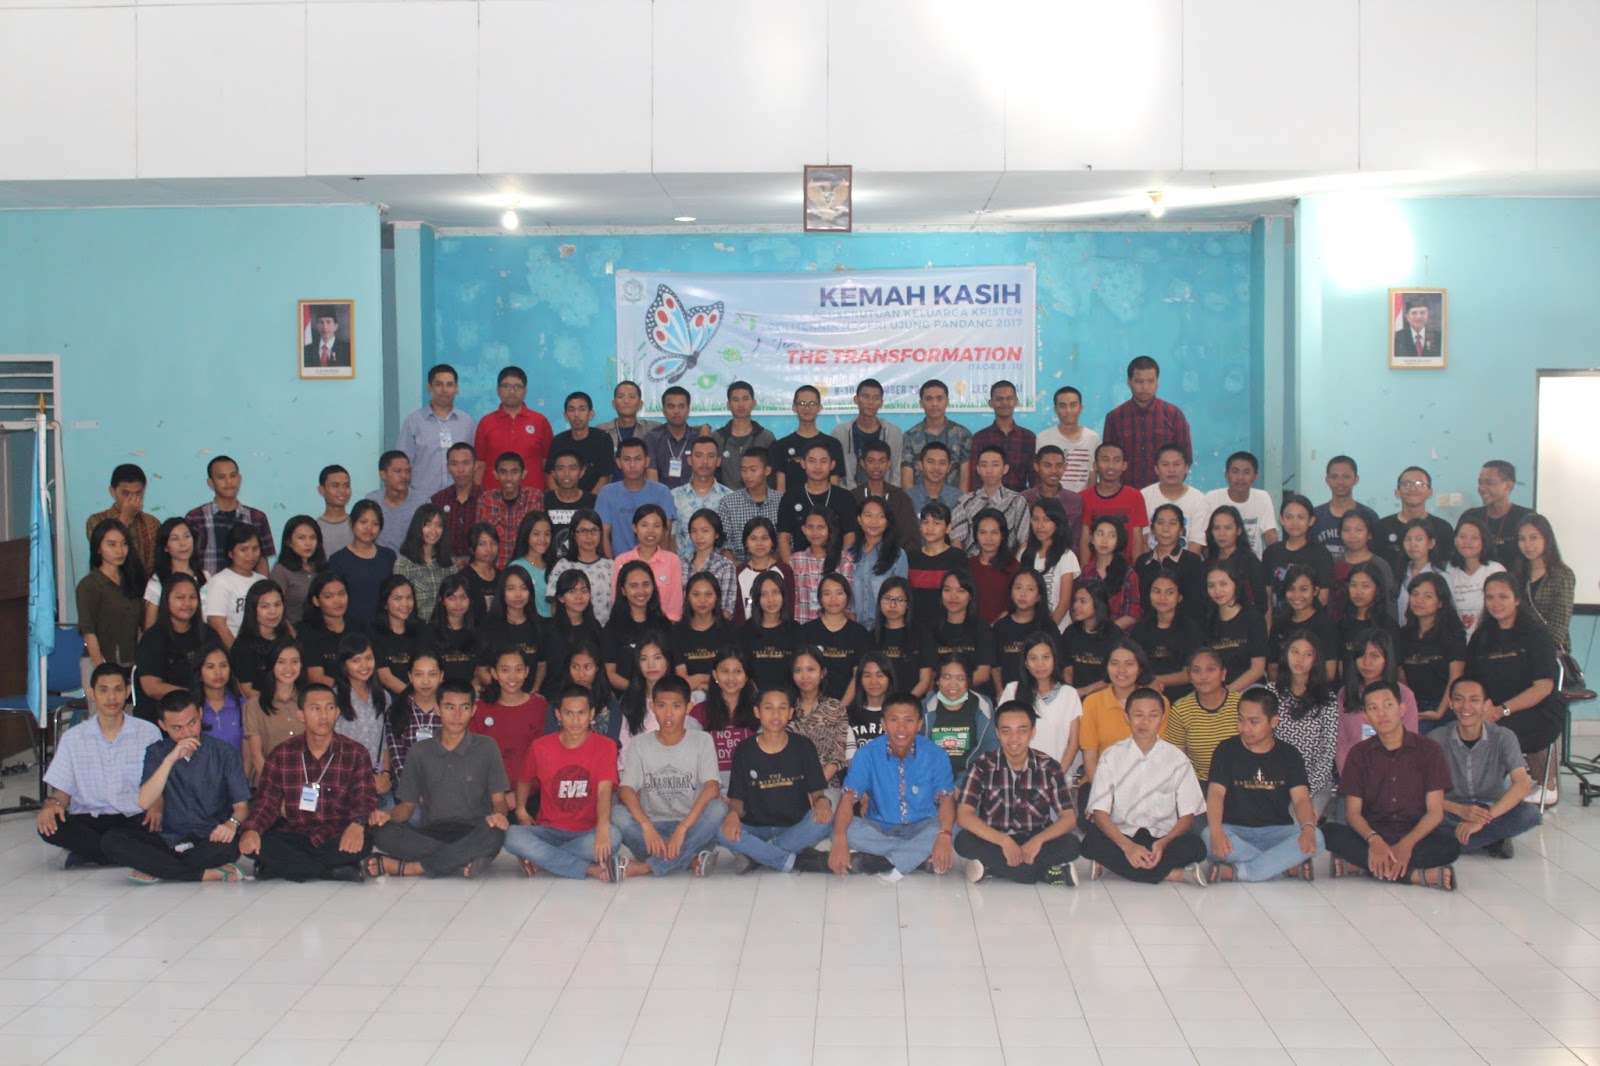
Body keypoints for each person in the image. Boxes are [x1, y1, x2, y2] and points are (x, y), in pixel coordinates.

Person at [101, 690, 251, 884]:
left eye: (192, 723)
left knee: (229, 847)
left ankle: (157, 867)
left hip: (209, 836)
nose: (187, 733)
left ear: (200, 714)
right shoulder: (157, 752)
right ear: (163, 726)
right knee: (112, 841)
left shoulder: (224, 753)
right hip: (168, 836)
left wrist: (231, 824)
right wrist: (170, 759)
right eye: (177, 728)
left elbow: (242, 807)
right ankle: (203, 874)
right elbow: (144, 802)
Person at [238, 683, 384, 882]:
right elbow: (267, 802)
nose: (323, 715)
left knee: (364, 841)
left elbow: (364, 798)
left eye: (329, 708)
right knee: (253, 841)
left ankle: (279, 868)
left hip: (336, 832)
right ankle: (331, 871)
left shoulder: (356, 753)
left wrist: (357, 825)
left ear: (337, 713)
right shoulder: (282, 753)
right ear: (301, 715)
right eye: (315, 709)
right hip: (294, 832)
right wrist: (252, 830)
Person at [1325, 681, 1459, 889]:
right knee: (1328, 833)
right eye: (1373, 708)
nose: (1381, 714)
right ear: (1365, 717)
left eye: (1388, 705)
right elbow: (1352, 814)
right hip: (1372, 833)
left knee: (1451, 846)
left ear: (1402, 709)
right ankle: (1416, 875)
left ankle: (1365, 866)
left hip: (1416, 835)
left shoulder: (1429, 750)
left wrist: (1406, 845)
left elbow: (1435, 812)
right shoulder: (1358, 754)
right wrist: (1375, 841)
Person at [369, 678, 509, 878]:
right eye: (450, 708)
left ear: (473, 710)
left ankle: (411, 868)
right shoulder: (419, 751)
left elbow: (499, 801)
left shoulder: (487, 747)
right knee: (380, 831)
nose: (457, 715)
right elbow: (406, 808)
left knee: (495, 834)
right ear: (438, 709)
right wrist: (387, 815)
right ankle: (462, 859)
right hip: (432, 831)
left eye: (464, 708)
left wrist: (499, 816)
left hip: (475, 830)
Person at [36, 665, 162, 867]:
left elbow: (159, 784)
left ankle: (91, 853)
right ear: (91, 694)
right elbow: (62, 793)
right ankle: (122, 853)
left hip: (132, 817)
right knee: (50, 826)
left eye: (118, 689)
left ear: (127, 692)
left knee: (153, 825)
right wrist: (52, 805)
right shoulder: (73, 738)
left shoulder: (148, 733)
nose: (111, 697)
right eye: (103, 690)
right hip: (89, 819)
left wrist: (157, 805)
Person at [1081, 687, 1208, 884]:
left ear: (1163, 718)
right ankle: (1170, 873)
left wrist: (1163, 843)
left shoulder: (1177, 759)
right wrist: (1127, 847)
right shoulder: (1111, 756)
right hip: (1122, 834)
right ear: (1127, 718)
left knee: (1196, 847)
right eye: (1138, 715)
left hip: (1162, 837)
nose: (1145, 722)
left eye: (1153, 715)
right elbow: (1099, 813)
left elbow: (1188, 817)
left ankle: (1119, 865)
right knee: (1090, 843)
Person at [828, 694, 957, 882]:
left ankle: (883, 861)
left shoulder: (936, 754)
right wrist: (840, 840)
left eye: (909, 720)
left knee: (954, 826)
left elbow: (946, 799)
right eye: (894, 720)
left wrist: (944, 835)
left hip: (922, 825)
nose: (901, 728)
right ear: (883, 724)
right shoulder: (867, 754)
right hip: (881, 827)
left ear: (919, 725)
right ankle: (916, 858)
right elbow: (848, 798)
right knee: (842, 830)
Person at [611, 676, 727, 878]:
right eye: (662, 706)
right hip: (652, 832)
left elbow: (712, 788)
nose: (668, 713)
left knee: (718, 809)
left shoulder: (702, 740)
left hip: (691, 828)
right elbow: (626, 790)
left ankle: (648, 866)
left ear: (688, 708)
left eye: (676, 706)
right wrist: (647, 826)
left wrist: (682, 829)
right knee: (617, 814)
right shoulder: (640, 743)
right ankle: (688, 859)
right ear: (652, 707)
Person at [1203, 687, 1323, 883]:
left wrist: (1308, 828)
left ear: (1274, 722)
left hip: (1275, 832)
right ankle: (1281, 865)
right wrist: (1216, 832)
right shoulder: (1226, 750)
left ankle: (1240, 871)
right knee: (1208, 836)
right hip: (1234, 831)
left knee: (1317, 837)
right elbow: (1215, 794)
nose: (1245, 728)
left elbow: (1301, 799)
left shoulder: (1289, 754)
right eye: (1241, 720)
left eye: (1254, 722)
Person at [955, 699, 1080, 886]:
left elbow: (1069, 818)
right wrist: (1004, 841)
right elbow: (964, 816)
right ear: (997, 733)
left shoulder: (1049, 767)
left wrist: (1039, 840)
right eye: (1006, 731)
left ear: (1032, 732)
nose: (1014, 739)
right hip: (995, 839)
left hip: (1036, 839)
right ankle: (1044, 872)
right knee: (963, 841)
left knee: (1072, 844)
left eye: (1022, 731)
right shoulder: (981, 766)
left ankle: (994, 868)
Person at [1466, 572, 1565, 804]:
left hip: (1538, 709)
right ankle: (1478, 787)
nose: (1496, 603)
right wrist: (1485, 706)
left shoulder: (1535, 634)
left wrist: (1502, 710)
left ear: (1517, 599)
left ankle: (1546, 785)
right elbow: (1471, 679)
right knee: (1464, 723)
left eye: (1503, 596)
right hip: (1493, 709)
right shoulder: (1482, 636)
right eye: (1490, 597)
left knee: (1502, 730)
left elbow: (1543, 688)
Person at [505, 684, 619, 880]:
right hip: (548, 830)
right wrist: (521, 810)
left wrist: (602, 828)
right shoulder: (540, 747)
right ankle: (586, 868)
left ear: (591, 713)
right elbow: (524, 779)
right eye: (568, 713)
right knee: (511, 835)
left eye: (581, 713)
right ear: (558, 714)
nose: (575, 721)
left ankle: (541, 858)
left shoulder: (606, 746)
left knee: (614, 836)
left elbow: (604, 791)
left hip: (587, 831)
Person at [718, 685, 835, 873]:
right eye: (768, 708)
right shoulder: (744, 750)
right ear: (757, 712)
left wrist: (822, 802)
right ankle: (789, 859)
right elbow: (737, 799)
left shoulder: (803, 746)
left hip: (794, 827)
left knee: (825, 820)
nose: (775, 714)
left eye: (782, 708)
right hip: (755, 828)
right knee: (721, 831)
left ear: (790, 713)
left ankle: (759, 855)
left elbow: (817, 794)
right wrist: (732, 814)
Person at [1436, 676, 1540, 858]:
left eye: (1474, 700)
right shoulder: (1436, 738)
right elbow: (1421, 792)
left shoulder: (1503, 737)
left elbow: (1522, 785)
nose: (1466, 707)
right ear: (1450, 703)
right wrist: (1460, 810)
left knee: (1530, 814)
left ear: (1486, 705)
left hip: (1492, 810)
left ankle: (1459, 842)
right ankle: (1491, 839)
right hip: (1452, 811)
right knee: (1419, 816)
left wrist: (1482, 820)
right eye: (1459, 699)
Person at [1269, 632, 1340, 815]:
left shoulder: (1327, 699)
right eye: (1295, 652)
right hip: (1275, 781)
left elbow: (1327, 752)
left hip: (1314, 782)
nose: (1299, 659)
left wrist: (1306, 790)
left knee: (1298, 822)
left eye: (1308, 654)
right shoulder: (1271, 693)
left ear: (1316, 660)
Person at [1101, 356, 1192, 490]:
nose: (1145, 387)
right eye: (1139, 381)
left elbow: (1186, 457)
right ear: (1129, 382)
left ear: (1157, 382)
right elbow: (1108, 459)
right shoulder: (1114, 418)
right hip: (1126, 493)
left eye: (1150, 381)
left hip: (1164, 493)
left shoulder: (1174, 415)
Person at [1336, 629, 1419, 775]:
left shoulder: (1404, 694)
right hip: (1355, 773)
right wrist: (1350, 779)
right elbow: (1340, 744)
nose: (1366, 662)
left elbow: (1409, 745)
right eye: (1361, 655)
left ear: (1387, 658)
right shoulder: (1345, 694)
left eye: (1375, 656)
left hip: (1396, 774)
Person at [134, 574, 214, 721]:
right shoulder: (152, 638)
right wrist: (193, 696)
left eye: (192, 597)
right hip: (161, 716)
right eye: (180, 598)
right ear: (166, 600)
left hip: (203, 712)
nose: (187, 603)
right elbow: (151, 687)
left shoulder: (208, 634)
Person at [77, 518, 144, 691]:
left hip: (131, 664)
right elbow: (88, 632)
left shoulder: (133, 580)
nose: (119, 550)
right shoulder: (89, 585)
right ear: (98, 549)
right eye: (111, 544)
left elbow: (140, 627)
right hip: (98, 662)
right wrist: (102, 670)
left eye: (124, 544)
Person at [1398, 572, 1467, 732]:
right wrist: (1410, 707)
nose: (1419, 600)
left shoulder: (1453, 633)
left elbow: (1456, 676)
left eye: (1428, 596)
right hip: (1413, 705)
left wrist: (1439, 712)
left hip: (1446, 705)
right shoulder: (1403, 634)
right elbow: (1401, 677)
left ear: (1441, 602)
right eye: (1415, 594)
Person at [397, 364, 477, 500]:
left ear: (456, 388)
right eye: (439, 384)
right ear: (429, 387)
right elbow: (403, 462)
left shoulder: (467, 422)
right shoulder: (414, 421)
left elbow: (473, 463)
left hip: (458, 499)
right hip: (422, 499)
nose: (445, 390)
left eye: (450, 385)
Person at [186, 455, 275, 577]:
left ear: (239, 479)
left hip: (248, 588)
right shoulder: (196, 518)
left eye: (233, 476)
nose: (228, 482)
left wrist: (265, 586)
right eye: (221, 477)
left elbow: (262, 563)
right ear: (210, 483)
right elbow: (187, 560)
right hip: (208, 587)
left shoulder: (257, 518)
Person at [1165, 646, 1241, 785]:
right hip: (1199, 784)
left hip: (1239, 781)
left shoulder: (1241, 704)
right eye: (1196, 670)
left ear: (1223, 674)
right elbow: (1176, 756)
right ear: (1190, 676)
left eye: (1210, 669)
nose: (1203, 676)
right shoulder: (1181, 709)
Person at [920, 655, 996, 787]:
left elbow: (991, 752)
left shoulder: (983, 706)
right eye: (946, 677)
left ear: (968, 681)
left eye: (960, 678)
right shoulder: (924, 707)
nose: (953, 684)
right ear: (937, 680)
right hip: (931, 784)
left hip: (972, 784)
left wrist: (961, 784)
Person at [472, 365, 553, 487]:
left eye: (517, 387)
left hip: (532, 493)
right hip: (494, 493)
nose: (512, 391)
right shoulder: (486, 422)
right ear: (498, 390)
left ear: (525, 391)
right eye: (506, 386)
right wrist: (477, 493)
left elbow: (547, 462)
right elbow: (480, 463)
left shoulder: (540, 421)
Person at [777, 441, 858, 561]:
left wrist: (842, 565)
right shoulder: (790, 497)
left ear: (832, 465)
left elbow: (850, 535)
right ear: (803, 463)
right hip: (800, 565)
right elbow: (784, 536)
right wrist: (791, 567)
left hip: (837, 565)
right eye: (812, 461)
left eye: (823, 461)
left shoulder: (845, 497)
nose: (818, 466)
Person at [596, 438, 676, 557]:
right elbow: (603, 534)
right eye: (627, 459)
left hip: (655, 562)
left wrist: (661, 563)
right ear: (618, 462)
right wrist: (611, 564)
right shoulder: (607, 493)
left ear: (647, 461)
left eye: (638, 459)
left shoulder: (662, 492)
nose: (632, 465)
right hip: (618, 562)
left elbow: (665, 534)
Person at [243, 640, 306, 783]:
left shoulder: (309, 700)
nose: (288, 668)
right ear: (271, 665)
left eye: (294, 662)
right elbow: (256, 755)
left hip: (307, 782)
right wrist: (276, 788)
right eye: (281, 662)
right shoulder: (254, 705)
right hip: (269, 784)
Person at [1262, 494, 1334, 616]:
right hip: (1278, 622)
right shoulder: (1271, 552)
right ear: (1281, 520)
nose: (1294, 522)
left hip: (1311, 623)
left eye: (1301, 517)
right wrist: (1268, 625)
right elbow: (1267, 595)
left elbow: (1323, 598)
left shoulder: (1321, 554)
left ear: (1311, 520)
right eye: (1289, 517)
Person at [1374, 466, 1455, 574]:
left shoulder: (1443, 528)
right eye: (1406, 484)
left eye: (1420, 484)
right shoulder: (1382, 526)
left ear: (1430, 492)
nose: (1412, 489)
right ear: (1397, 492)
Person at [326, 500, 396, 624]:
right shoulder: (338, 560)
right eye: (363, 522)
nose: (369, 528)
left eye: (375, 523)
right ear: (352, 523)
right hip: (350, 628)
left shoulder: (388, 556)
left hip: (384, 626)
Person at [1135, 504, 1206, 625]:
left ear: (1181, 530)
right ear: (1152, 528)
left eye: (1172, 523)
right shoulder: (1142, 562)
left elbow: (1196, 605)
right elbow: (1140, 604)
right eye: (1160, 523)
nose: (1165, 529)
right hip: (1149, 628)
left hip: (1184, 629)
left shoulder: (1193, 562)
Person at [1078, 442, 1148, 564]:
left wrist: (1137, 571)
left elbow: (1137, 539)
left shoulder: (1135, 496)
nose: (1111, 466)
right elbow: (1085, 540)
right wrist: (1086, 572)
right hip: (1094, 569)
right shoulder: (1083, 497)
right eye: (1105, 460)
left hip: (1126, 568)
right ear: (1095, 465)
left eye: (1117, 461)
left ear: (1124, 465)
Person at [950, 445, 1028, 554]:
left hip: (1006, 562)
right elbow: (956, 541)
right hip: (971, 562)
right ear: (978, 469)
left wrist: (1015, 563)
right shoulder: (965, 502)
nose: (989, 470)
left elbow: (1024, 541)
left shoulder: (1018, 501)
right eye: (984, 465)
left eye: (995, 465)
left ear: (1005, 469)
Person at [475, 452, 544, 571]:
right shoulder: (486, 499)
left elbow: (538, 538)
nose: (508, 478)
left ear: (523, 474)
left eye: (514, 472)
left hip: (527, 568)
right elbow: (479, 540)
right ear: (495, 474)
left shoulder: (534, 498)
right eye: (503, 472)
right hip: (493, 569)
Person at [900, 379, 972, 492]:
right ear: (921, 403)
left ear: (947, 401)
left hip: (954, 500)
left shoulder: (962, 434)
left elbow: (965, 477)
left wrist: (961, 501)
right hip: (918, 501)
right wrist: (912, 501)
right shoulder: (910, 436)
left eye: (939, 398)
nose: (934, 404)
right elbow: (907, 478)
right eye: (929, 399)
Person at [86, 463, 159, 575]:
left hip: (147, 584)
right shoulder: (96, 521)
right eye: (125, 493)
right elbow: (102, 559)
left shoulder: (153, 522)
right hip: (110, 584)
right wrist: (126, 517)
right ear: (112, 491)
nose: (132, 498)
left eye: (138, 493)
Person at [1518, 513, 1576, 655]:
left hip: (1549, 651)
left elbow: (1560, 624)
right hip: (1519, 649)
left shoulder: (1562, 574)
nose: (1527, 544)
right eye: (1522, 539)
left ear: (1547, 538)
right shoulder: (1517, 573)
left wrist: (1536, 649)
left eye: (1533, 538)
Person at [831, 377, 905, 488]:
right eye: (866, 397)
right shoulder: (840, 433)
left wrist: (890, 494)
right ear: (856, 399)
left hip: (884, 493)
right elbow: (836, 474)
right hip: (849, 493)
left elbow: (896, 472)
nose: (870, 402)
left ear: (881, 403)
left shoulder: (893, 433)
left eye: (876, 398)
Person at [201, 525, 266, 648]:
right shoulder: (220, 581)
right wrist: (237, 654)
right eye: (244, 549)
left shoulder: (262, 580)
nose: (251, 555)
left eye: (255, 548)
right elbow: (217, 623)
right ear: (231, 553)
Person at [717, 446, 783, 565]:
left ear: (767, 471)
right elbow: (724, 545)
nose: (747, 475)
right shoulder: (728, 503)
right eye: (744, 470)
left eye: (753, 470)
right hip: (738, 568)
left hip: (774, 568)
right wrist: (740, 571)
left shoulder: (781, 501)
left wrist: (769, 567)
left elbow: (786, 542)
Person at [1203, 451, 1278, 557]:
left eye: (1246, 472)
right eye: (1235, 472)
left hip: (1252, 562)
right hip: (1219, 562)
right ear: (1226, 475)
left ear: (1256, 476)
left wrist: (1277, 560)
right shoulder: (1212, 498)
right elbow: (1204, 540)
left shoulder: (1263, 498)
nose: (1240, 478)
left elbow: (1270, 536)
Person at [1461, 460, 1533, 569]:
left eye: (1489, 483)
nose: (1482, 488)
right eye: (1480, 483)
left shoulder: (1525, 517)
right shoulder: (1470, 517)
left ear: (1507, 486)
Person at [850, 439, 919, 552]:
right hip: (860, 557)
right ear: (863, 463)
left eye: (881, 461)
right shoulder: (853, 497)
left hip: (895, 557)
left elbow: (910, 537)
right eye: (871, 461)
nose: (876, 466)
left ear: (888, 464)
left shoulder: (900, 497)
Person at [1141, 444, 1209, 555]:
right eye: (1165, 464)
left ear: (1186, 467)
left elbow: (1196, 543)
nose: (1171, 470)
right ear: (1156, 469)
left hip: (1187, 563)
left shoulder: (1199, 500)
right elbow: (1143, 541)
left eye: (1176, 464)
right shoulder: (1143, 496)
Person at [669, 437, 732, 558]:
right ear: (690, 460)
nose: (705, 461)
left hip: (720, 568)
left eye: (711, 456)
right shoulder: (674, 496)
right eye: (699, 456)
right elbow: (669, 538)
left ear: (718, 461)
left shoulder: (729, 497)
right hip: (682, 567)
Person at [775, 384, 846, 491]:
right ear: (794, 407)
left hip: (825, 502)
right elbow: (780, 489)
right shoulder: (781, 446)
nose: (807, 408)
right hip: (792, 501)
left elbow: (835, 487)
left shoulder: (833, 444)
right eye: (802, 403)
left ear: (819, 408)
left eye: (812, 403)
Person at [1444, 515, 1504, 639]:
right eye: (1462, 537)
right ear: (1455, 540)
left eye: (1474, 538)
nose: (1467, 542)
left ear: (1484, 541)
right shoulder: (1450, 570)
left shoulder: (1495, 570)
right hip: (1457, 639)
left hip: (1489, 638)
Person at [968, 380, 1034, 492]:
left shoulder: (1028, 438)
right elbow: (975, 477)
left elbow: (1034, 476)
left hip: (1020, 497)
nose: (1004, 403)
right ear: (991, 403)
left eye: (1009, 398)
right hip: (987, 498)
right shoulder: (980, 438)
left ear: (1016, 401)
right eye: (999, 399)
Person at [710, 380, 777, 489]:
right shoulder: (717, 438)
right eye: (735, 400)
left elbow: (774, 475)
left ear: (754, 403)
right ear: (728, 405)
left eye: (745, 399)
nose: (741, 404)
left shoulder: (766, 437)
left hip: (759, 497)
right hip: (726, 497)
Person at [1311, 455, 1380, 561]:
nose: (1340, 482)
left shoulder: (1369, 516)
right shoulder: (1314, 516)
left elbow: (1375, 554)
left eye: (1346, 477)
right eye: (1334, 477)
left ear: (1356, 479)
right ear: (1327, 480)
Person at [393, 505, 454, 622]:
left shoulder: (451, 562)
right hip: (415, 628)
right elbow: (399, 606)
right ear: (417, 527)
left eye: (439, 525)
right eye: (427, 524)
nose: (433, 531)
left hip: (444, 628)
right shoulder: (404, 564)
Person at [145, 516, 207, 629]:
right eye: (174, 539)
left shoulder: (206, 577)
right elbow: (149, 628)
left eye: (187, 536)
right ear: (165, 547)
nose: (183, 543)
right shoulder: (157, 581)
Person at [546, 390, 613, 494]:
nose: (576, 415)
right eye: (571, 410)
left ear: (591, 414)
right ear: (565, 415)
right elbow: (550, 475)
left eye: (582, 409)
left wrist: (588, 500)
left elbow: (605, 477)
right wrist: (560, 499)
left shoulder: (603, 438)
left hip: (593, 499)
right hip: (563, 500)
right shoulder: (558, 441)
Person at [1080, 516, 1141, 629]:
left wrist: (1106, 631)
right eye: (1100, 534)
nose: (1104, 540)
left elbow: (1133, 614)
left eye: (1111, 535)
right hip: (1089, 632)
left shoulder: (1129, 574)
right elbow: (1078, 607)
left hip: (1119, 634)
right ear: (1092, 538)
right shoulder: (1086, 571)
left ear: (1118, 541)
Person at [1035, 385, 1099, 493]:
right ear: (1056, 409)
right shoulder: (1043, 438)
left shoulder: (1093, 438)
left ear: (1081, 408)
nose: (1068, 411)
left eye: (1073, 405)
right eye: (1062, 406)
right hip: (1052, 499)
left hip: (1082, 500)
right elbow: (1040, 475)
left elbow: (1093, 475)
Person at [1020, 445, 1085, 551]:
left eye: (1059, 466)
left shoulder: (1075, 500)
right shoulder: (1024, 498)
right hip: (1030, 556)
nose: (1054, 471)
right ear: (1037, 467)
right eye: (1047, 465)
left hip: (1064, 557)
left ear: (1065, 467)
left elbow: (1076, 540)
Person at [429, 442, 484, 565]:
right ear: (447, 467)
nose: (460, 470)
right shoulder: (438, 500)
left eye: (466, 463)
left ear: (475, 466)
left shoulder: (487, 499)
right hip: (444, 565)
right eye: (454, 464)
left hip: (480, 565)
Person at [643, 385, 704, 491]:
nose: (676, 411)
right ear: (663, 410)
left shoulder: (697, 439)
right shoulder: (653, 438)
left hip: (692, 496)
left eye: (681, 406)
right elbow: (652, 477)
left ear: (688, 410)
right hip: (662, 496)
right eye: (671, 406)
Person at [269, 515, 323, 626]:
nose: (308, 543)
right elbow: (275, 609)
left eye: (313, 538)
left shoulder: (322, 568)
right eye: (301, 538)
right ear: (288, 542)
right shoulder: (281, 571)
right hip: (292, 630)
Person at [364, 450, 421, 553]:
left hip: (412, 560)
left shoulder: (421, 502)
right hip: (379, 559)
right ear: (383, 475)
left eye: (408, 471)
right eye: (398, 471)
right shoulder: (372, 500)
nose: (404, 476)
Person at [905, 441, 963, 514]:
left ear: (949, 467)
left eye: (942, 463)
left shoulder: (958, 498)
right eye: (930, 462)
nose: (936, 467)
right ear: (920, 465)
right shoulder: (907, 498)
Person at [316, 463, 356, 557]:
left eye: (346, 486)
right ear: (321, 490)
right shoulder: (315, 528)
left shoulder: (357, 525)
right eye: (335, 486)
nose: (342, 491)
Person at [1393, 296, 1442, 362]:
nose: (1419, 317)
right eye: (1414, 313)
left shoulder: (1437, 337)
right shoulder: (1398, 337)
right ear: (1407, 317)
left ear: (1428, 315)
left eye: (1422, 312)